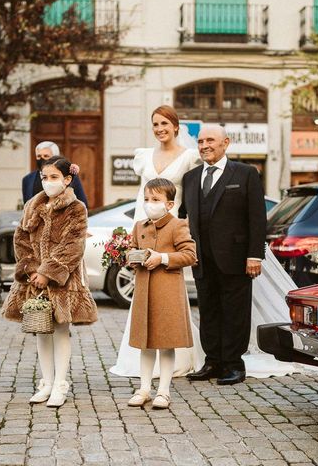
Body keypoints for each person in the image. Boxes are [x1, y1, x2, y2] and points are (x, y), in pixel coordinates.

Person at [110, 105, 203, 378]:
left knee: (169, 292)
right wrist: (134, 234)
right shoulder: (144, 156)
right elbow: (142, 194)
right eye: (155, 124)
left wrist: (185, 223)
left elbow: (191, 195)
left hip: (171, 229)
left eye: (165, 123)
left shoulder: (188, 157)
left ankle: (177, 356)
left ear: (176, 126)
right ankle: (136, 357)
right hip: (144, 226)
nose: (160, 129)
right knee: (143, 290)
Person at [2, 157, 98, 408]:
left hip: (62, 279)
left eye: (54, 177)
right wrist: (32, 268)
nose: (48, 182)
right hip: (34, 279)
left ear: (67, 179)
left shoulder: (76, 208)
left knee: (60, 330)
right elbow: (21, 238)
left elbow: (74, 245)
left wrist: (49, 272)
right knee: (40, 328)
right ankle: (46, 381)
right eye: (45, 177)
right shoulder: (33, 204)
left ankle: (60, 383)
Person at [179, 124, 267, 386]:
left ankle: (233, 364)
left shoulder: (246, 173)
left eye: (210, 140)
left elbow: (257, 219)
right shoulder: (191, 177)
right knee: (208, 311)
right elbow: (185, 216)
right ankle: (213, 361)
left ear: (225, 143)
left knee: (234, 312)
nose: (204, 145)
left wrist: (254, 255)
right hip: (202, 259)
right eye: (201, 141)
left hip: (236, 257)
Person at [127, 178, 197, 409]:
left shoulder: (177, 225)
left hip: (167, 291)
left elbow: (190, 255)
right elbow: (132, 250)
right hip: (144, 291)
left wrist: (163, 258)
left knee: (167, 343)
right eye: (146, 199)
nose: (150, 204)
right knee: (145, 343)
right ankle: (144, 387)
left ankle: (164, 391)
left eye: (155, 200)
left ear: (168, 204)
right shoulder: (139, 226)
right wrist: (131, 258)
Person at [21, 141, 88, 208]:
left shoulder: (70, 177)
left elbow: (82, 204)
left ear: (55, 157)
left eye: (46, 156)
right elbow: (26, 206)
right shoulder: (27, 179)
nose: (42, 159)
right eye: (39, 156)